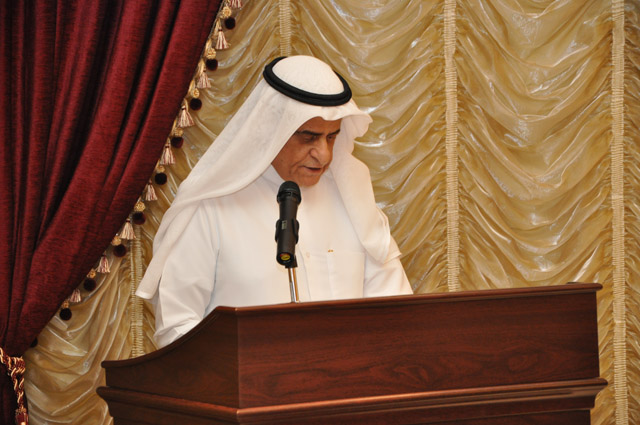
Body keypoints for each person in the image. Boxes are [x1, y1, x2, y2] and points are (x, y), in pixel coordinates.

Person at [136, 55, 412, 347]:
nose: (324, 154)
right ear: (272, 129)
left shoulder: (352, 198)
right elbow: (177, 329)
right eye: (309, 137)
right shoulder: (211, 207)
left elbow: (395, 315)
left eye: (332, 137)